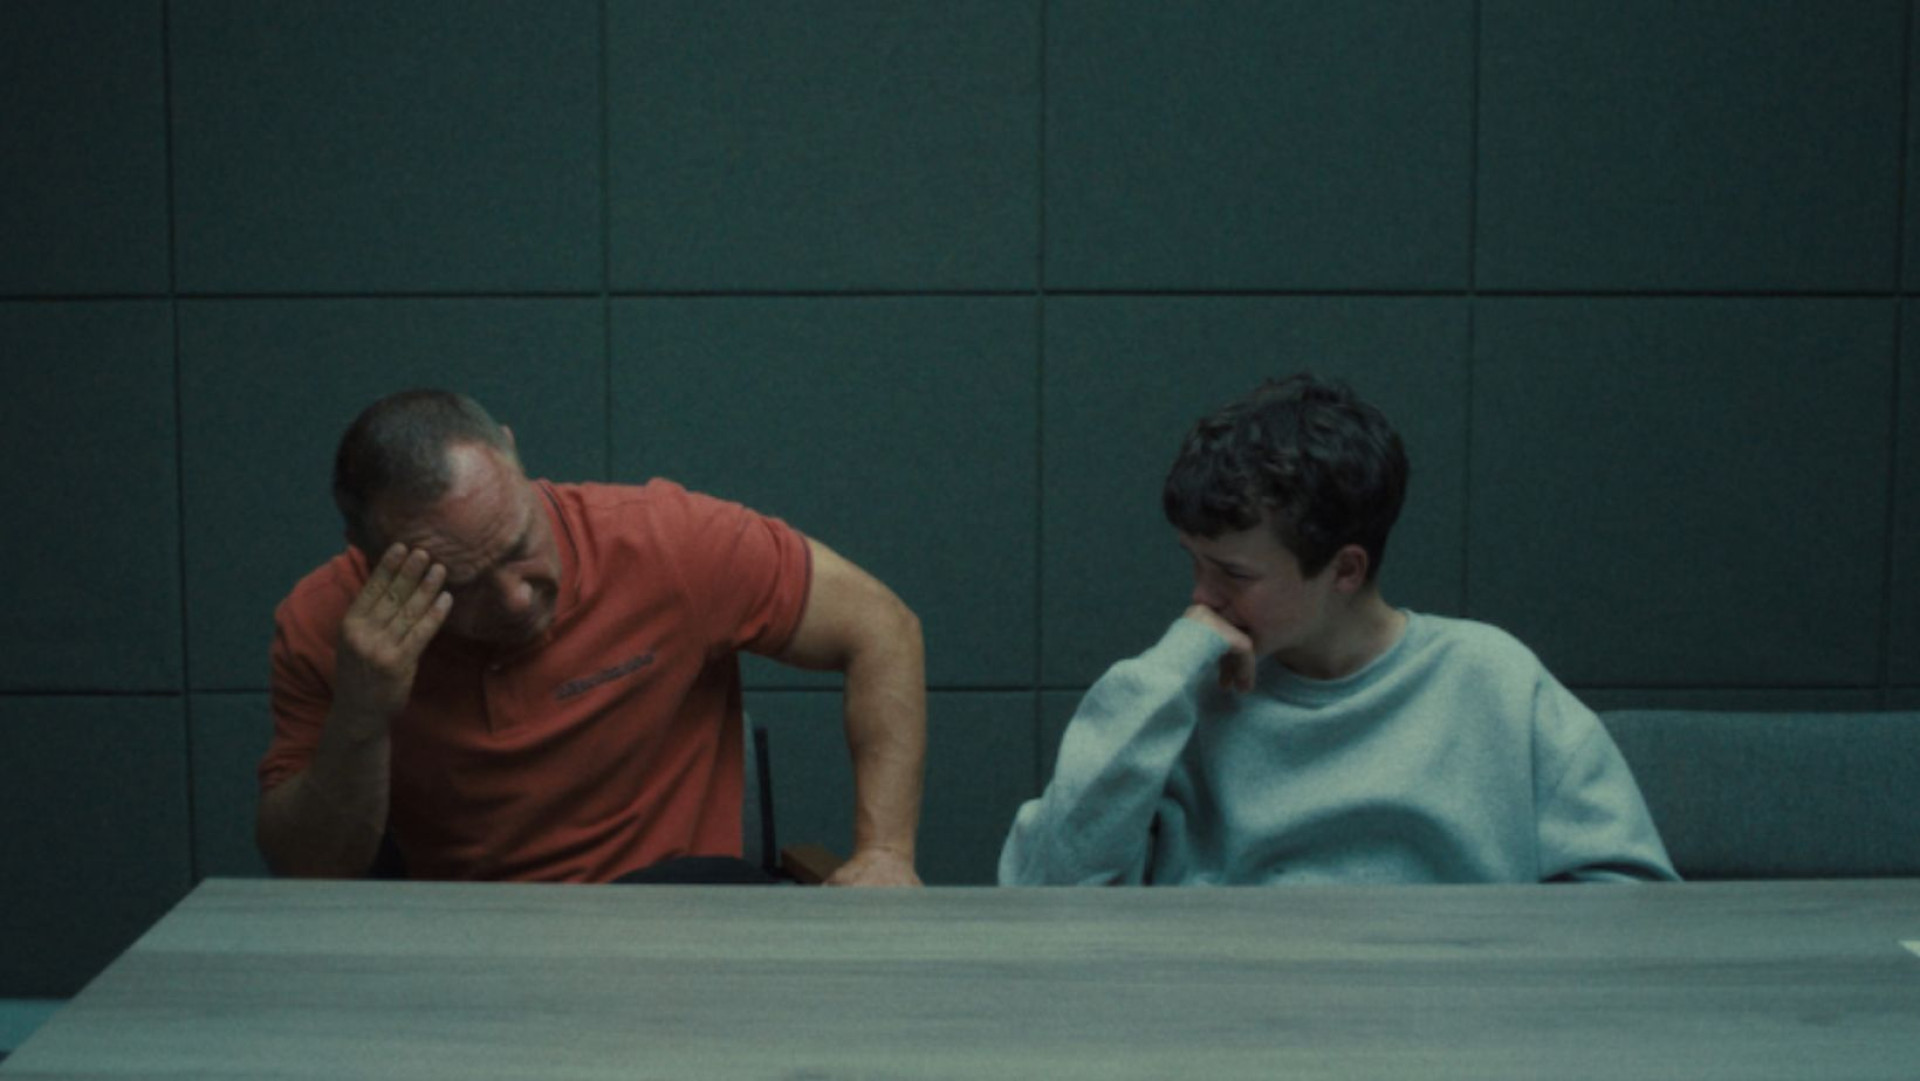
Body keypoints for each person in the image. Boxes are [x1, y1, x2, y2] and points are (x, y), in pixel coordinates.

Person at [999, 373, 1677, 886]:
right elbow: (1044, 889)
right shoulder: (1181, 696)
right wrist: (1166, 669)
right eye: (1193, 562)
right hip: (1227, 1013)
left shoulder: (1494, 680)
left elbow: (1631, 905)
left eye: (1232, 573)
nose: (1200, 599)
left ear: (1345, 569)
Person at [258, 389, 925, 886]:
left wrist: (886, 853)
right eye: (460, 583)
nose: (517, 599)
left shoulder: (664, 541)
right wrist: (362, 713)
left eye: (519, 546)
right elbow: (313, 873)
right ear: (370, 556)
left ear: (514, 456)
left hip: (676, 928)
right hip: (478, 953)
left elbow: (882, 627)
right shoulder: (326, 624)